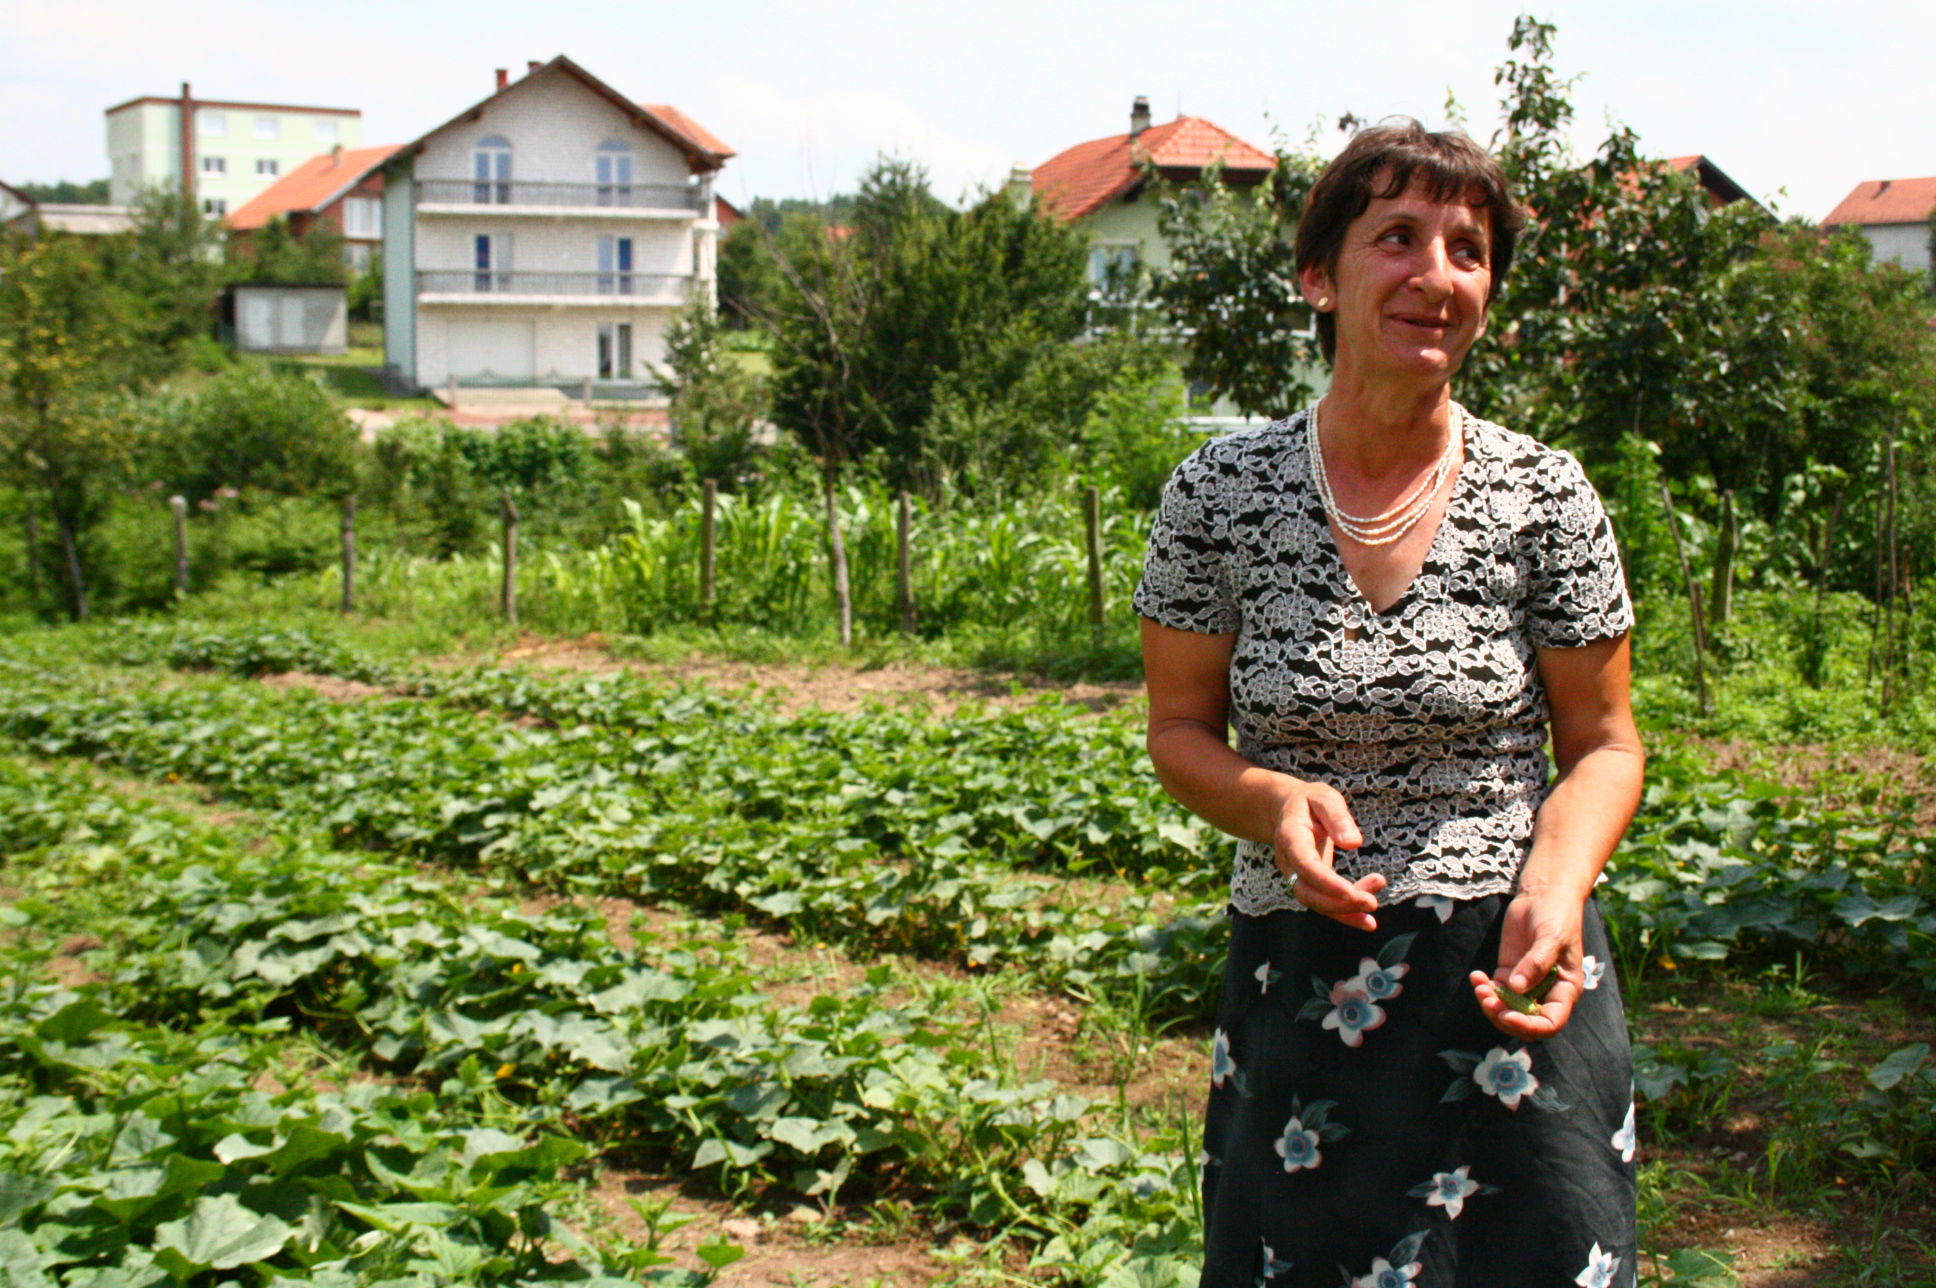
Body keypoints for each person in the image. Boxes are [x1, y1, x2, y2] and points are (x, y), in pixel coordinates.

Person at [1135, 119, 1643, 1288]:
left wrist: (1558, 889)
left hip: (1511, 974)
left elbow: (1605, 745)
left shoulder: (1543, 495)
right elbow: (1177, 733)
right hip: (1304, 976)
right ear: (1320, 275)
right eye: (1397, 238)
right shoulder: (1219, 494)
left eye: (1468, 249)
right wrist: (1267, 800)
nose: (1437, 275)